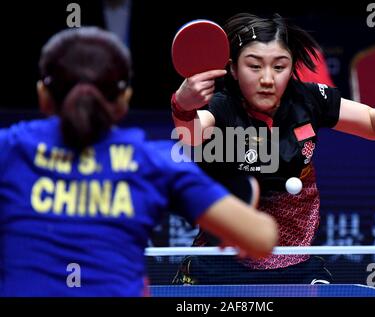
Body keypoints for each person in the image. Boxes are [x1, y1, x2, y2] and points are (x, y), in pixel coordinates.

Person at [0, 27, 279, 296]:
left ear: (43, 95)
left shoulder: (8, 149)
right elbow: (262, 238)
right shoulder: (155, 163)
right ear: (124, 99)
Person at [170, 13, 375, 285]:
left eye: (279, 66)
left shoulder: (309, 99)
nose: (268, 78)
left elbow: (373, 124)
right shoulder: (223, 106)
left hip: (295, 264)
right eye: (254, 66)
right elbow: (191, 135)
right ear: (233, 69)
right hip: (221, 265)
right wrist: (182, 107)